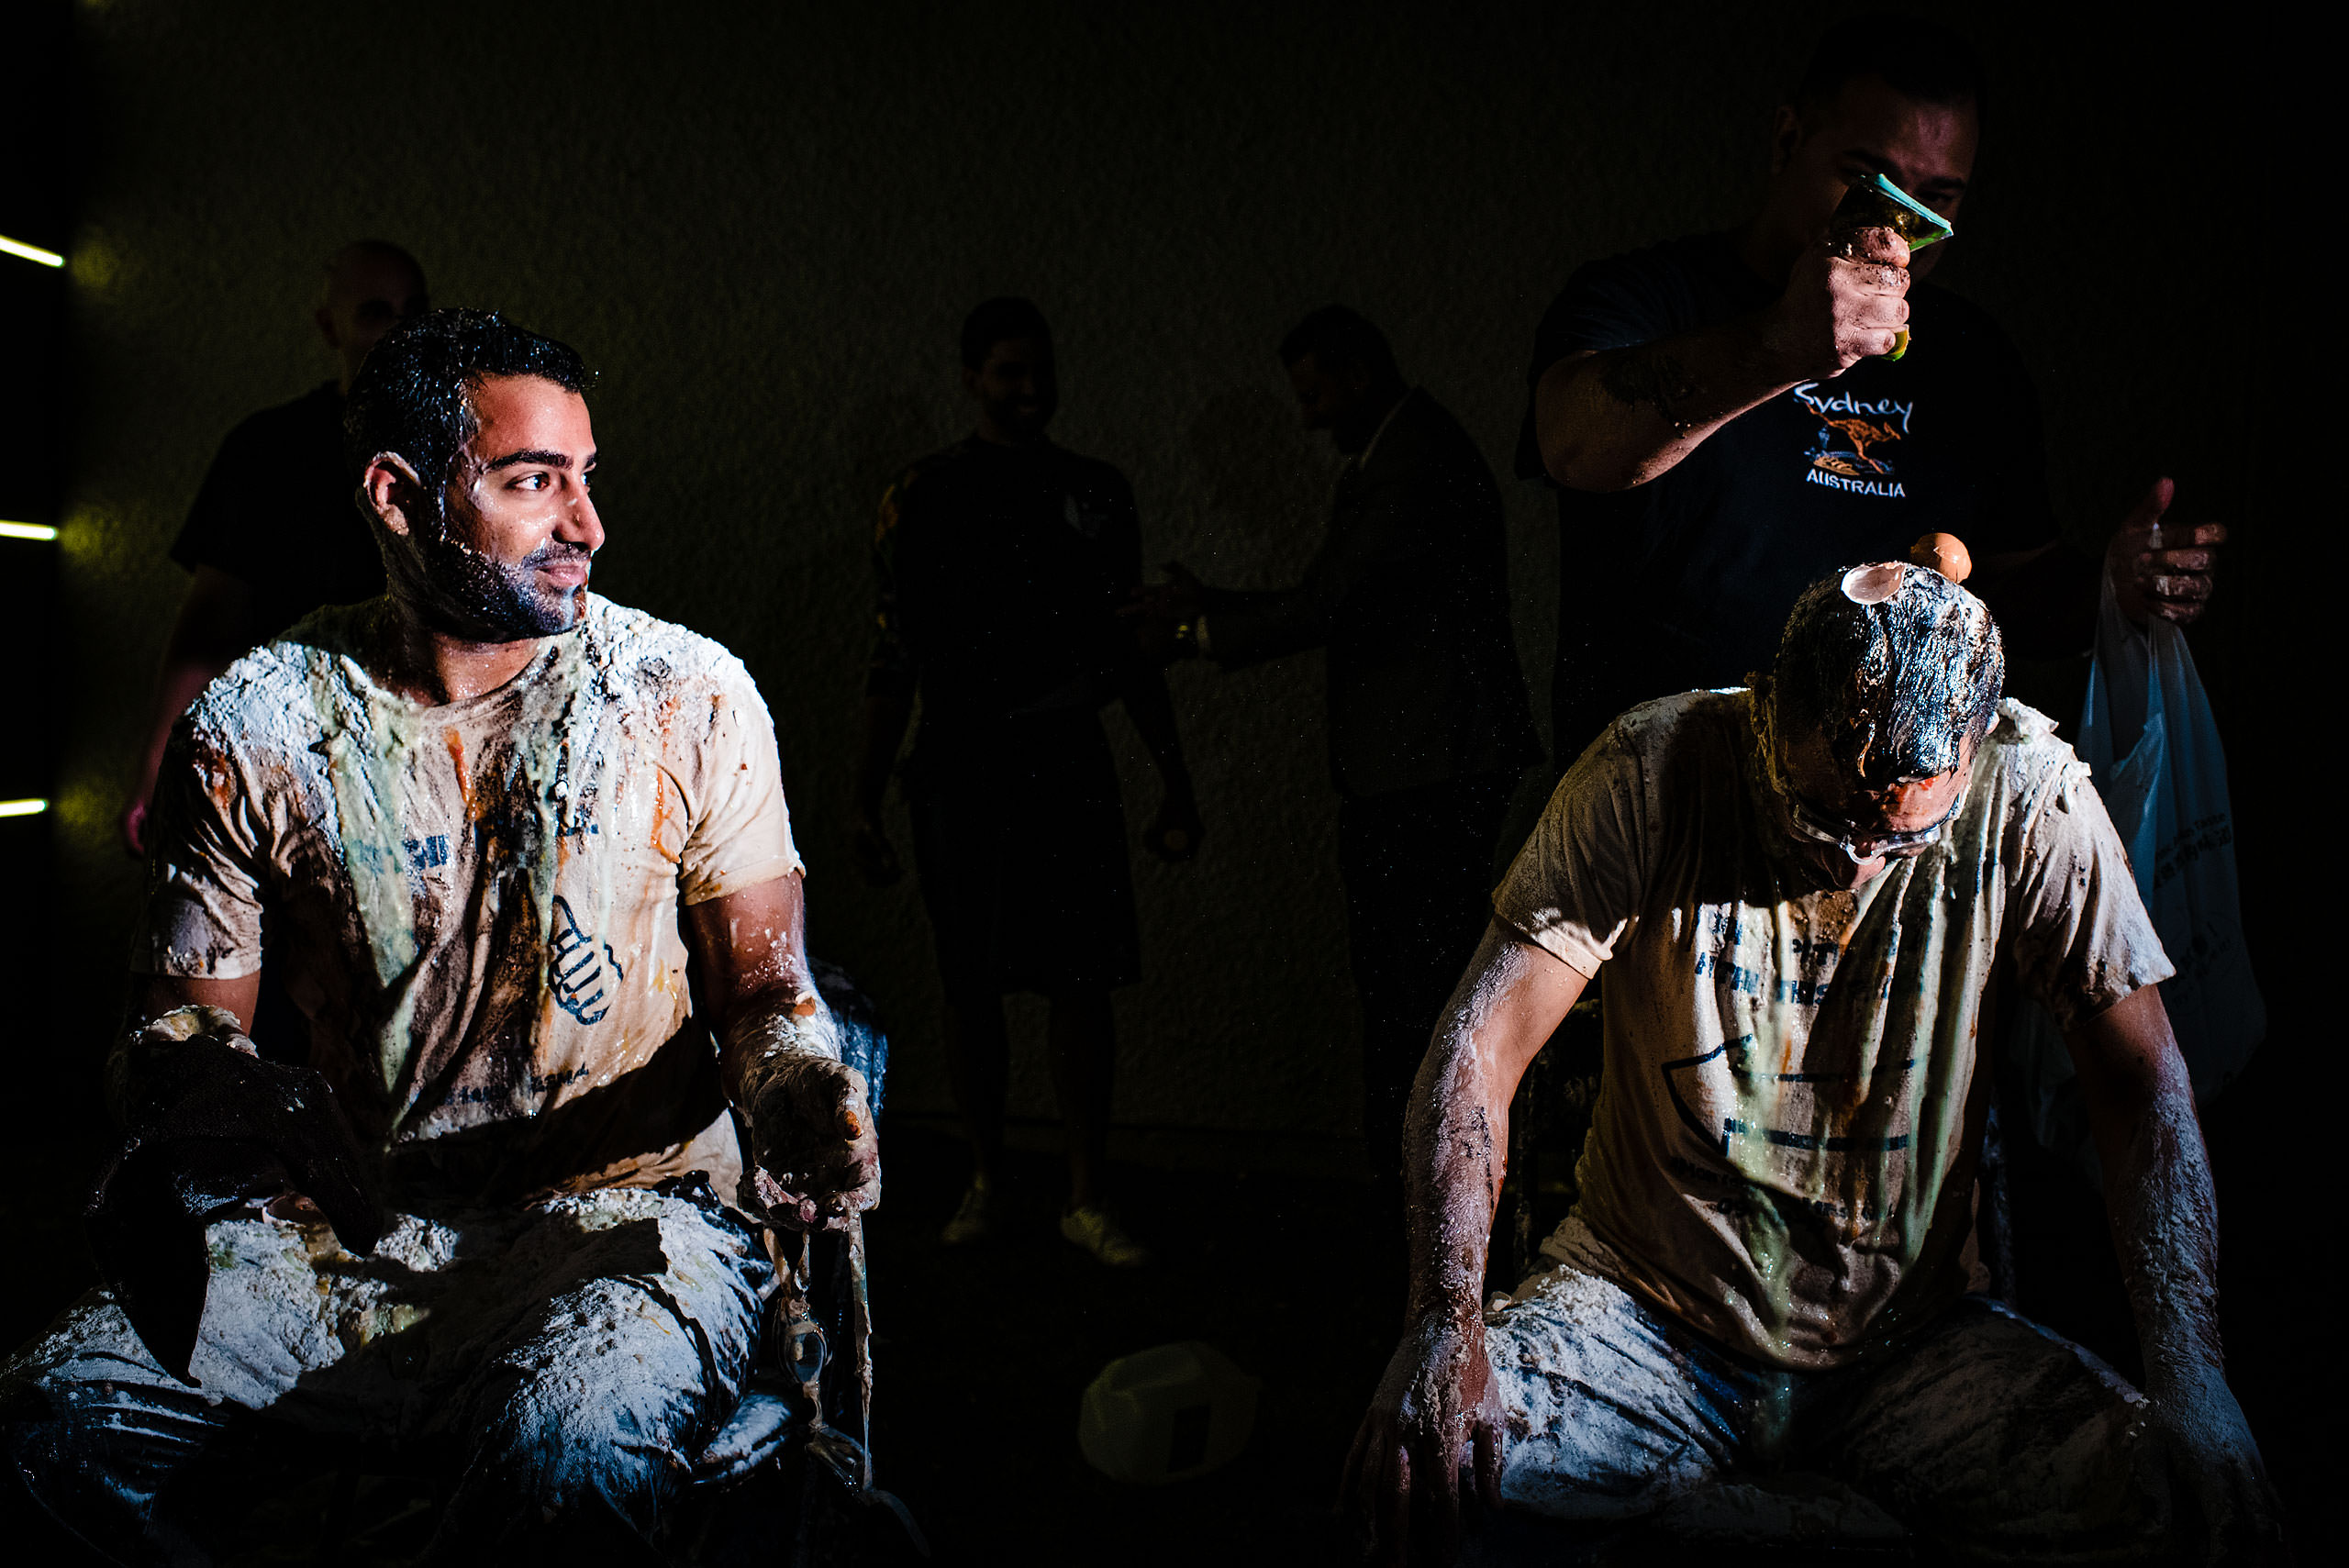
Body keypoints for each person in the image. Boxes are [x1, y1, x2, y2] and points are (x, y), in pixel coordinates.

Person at [2, 310, 877, 1562]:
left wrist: (799, 1085)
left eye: (587, 477)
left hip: (624, 1229)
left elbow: (762, 991)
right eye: (534, 481)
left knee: (563, 1449)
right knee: (49, 1420)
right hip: (352, 1234)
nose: (588, 526)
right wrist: (203, 1080)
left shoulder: (682, 696)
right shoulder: (263, 718)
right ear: (398, 495)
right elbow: (179, 1025)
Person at [1341, 562, 2281, 1563]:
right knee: (1420, 1479)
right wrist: (1444, 1319)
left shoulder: (2029, 797)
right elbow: (1478, 1045)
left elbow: (2143, 1087)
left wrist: (2193, 1372)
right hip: (1643, 1311)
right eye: (1824, 821)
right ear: (1766, 710)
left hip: (1908, 1346)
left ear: (1972, 755)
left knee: (2188, 1497)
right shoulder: (1651, 771)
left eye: (1900, 840)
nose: (1856, 865)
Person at [1519, 17, 2225, 767]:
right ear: (1788, 140)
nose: (1899, 228)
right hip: (1657, 809)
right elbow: (1573, 442)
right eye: (1868, 182)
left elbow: (2008, 587)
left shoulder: (1975, 361)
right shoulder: (1643, 298)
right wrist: (1777, 348)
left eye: (1938, 200)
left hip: (1885, 832)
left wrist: (2112, 592)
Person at [1129, 306, 1539, 1273]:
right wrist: (1212, 607)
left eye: (1315, 394)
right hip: (1420, 770)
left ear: (1359, 371)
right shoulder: (1402, 455)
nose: (1310, 419)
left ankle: (1418, 1214)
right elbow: (1334, 594)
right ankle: (1415, 1203)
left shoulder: (1410, 464)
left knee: (1412, 988)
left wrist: (1194, 635)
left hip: (1425, 778)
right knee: (1409, 984)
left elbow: (1327, 604)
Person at [852, 296, 1199, 1268]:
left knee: (1082, 983)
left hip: (1064, 756)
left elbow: (1132, 646)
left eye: (1038, 372)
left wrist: (1175, 778)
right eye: (1007, 372)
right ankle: (987, 1179)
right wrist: (861, 792)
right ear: (971, 378)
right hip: (961, 761)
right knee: (971, 984)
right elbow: (895, 653)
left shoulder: (1097, 492)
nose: (1028, 390)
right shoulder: (920, 494)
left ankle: (1085, 1190)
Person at [122, 239, 429, 856]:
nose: (397, 330)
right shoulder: (267, 450)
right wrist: (159, 763)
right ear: (329, 326)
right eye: (375, 311)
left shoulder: (458, 454)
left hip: (424, 765)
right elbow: (209, 622)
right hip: (287, 759)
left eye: (411, 311)